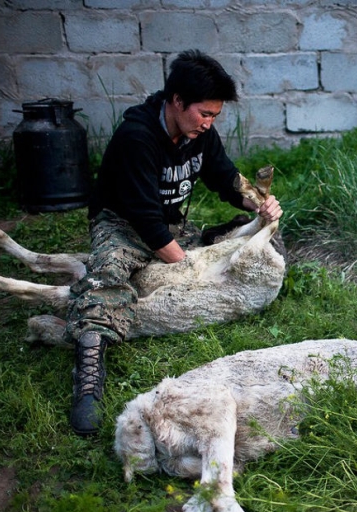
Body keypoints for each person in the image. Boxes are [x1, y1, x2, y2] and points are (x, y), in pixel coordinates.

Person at [66, 50, 282, 436]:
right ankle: (88, 375)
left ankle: (193, 250)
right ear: (177, 101)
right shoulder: (136, 137)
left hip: (171, 224)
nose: (209, 122)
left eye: (215, 115)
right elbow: (146, 222)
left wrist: (257, 202)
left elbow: (225, 176)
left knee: (236, 233)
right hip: (123, 224)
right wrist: (189, 268)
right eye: (205, 113)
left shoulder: (200, 134)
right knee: (107, 279)